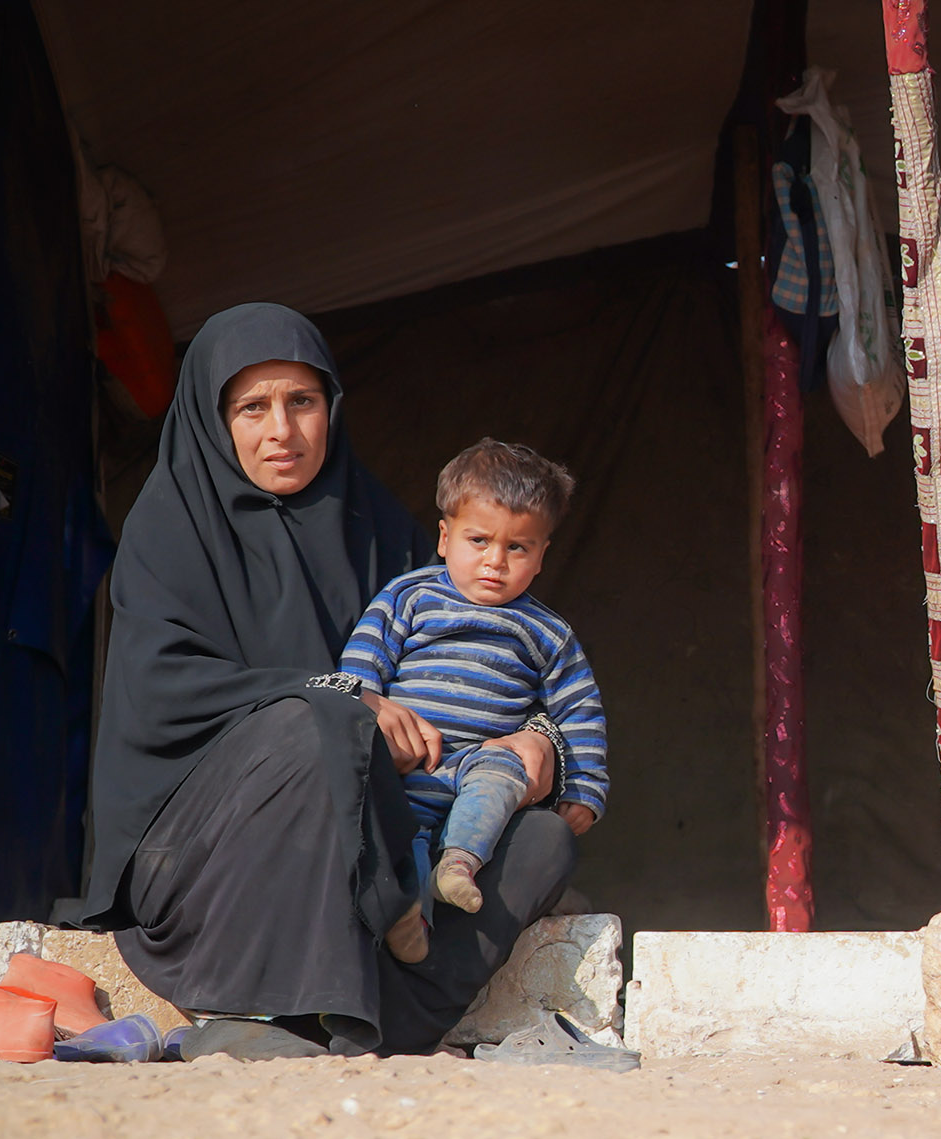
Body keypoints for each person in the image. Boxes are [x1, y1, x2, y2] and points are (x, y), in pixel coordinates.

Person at [74, 302, 577, 1059]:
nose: (282, 429)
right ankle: (268, 1012)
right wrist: (345, 698)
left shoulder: (373, 526)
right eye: (253, 406)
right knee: (315, 722)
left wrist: (537, 740)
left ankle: (382, 1023)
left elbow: (481, 661)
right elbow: (165, 693)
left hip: (378, 844)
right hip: (202, 861)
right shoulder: (169, 527)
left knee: (540, 840)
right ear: (216, 418)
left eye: (301, 401)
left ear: (331, 409)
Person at [334, 439, 607, 922]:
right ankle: (409, 917)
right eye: (478, 540)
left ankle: (458, 865)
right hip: (411, 760)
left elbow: (579, 711)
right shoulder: (408, 597)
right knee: (400, 829)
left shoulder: (548, 632)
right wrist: (366, 722)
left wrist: (583, 787)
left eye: (517, 547)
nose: (494, 561)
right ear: (444, 538)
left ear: (542, 555)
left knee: (503, 776)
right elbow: (360, 671)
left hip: (482, 763)